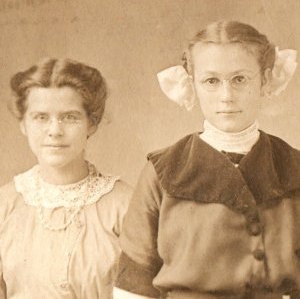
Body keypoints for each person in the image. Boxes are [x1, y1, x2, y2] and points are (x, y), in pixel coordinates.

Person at [113, 21, 300, 298]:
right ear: (192, 85)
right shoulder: (163, 171)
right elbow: (135, 277)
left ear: (265, 79)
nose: (226, 96)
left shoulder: (293, 167)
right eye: (211, 81)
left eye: (240, 79)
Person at [0, 58, 132, 298]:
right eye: (40, 117)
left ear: (92, 123)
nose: (54, 131)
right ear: (23, 124)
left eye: (70, 117)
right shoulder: (5, 204)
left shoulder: (125, 206)